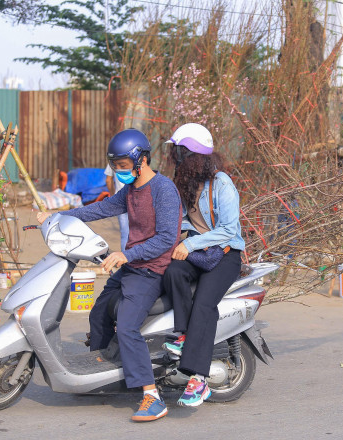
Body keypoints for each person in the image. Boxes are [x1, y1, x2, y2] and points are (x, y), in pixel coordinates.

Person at [37, 128, 181, 422]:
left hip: (152, 270)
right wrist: (57, 217)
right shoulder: (129, 192)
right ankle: (104, 374)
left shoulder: (164, 190)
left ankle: (152, 396)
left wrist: (127, 254)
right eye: (115, 166)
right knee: (99, 312)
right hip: (132, 266)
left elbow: (167, 237)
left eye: (123, 166)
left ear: (141, 160)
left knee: (127, 326)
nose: (119, 171)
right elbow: (98, 209)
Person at [160, 123, 246, 407]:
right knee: (172, 271)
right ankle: (184, 334)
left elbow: (229, 230)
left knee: (204, 304)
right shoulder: (188, 183)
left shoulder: (222, 183)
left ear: (194, 156)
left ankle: (198, 380)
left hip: (225, 254)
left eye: (181, 153)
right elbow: (185, 221)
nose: (177, 159)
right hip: (200, 251)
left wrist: (189, 244)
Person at [104, 165, 129, 251]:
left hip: (120, 200)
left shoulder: (113, 159)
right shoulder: (137, 156)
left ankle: (126, 261)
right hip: (137, 198)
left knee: (125, 233)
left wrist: (113, 196)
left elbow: (108, 180)